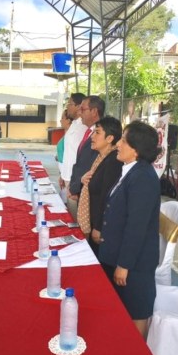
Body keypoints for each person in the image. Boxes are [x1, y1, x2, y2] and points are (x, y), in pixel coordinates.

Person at [98, 121, 162, 337]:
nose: (118, 145)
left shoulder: (143, 177)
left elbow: (137, 226)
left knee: (136, 311)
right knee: (122, 309)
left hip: (135, 262)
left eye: (124, 141)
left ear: (136, 149)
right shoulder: (131, 171)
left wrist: (124, 264)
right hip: (121, 255)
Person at [77, 116, 123, 254]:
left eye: (97, 132)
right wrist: (83, 180)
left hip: (101, 229)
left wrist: (98, 227)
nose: (92, 137)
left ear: (110, 138)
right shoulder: (100, 157)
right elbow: (93, 186)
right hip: (94, 221)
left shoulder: (114, 161)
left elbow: (107, 197)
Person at [69, 95, 104, 218]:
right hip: (79, 188)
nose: (80, 113)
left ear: (94, 111)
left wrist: (77, 188)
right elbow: (79, 163)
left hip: (88, 195)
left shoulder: (101, 136)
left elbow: (90, 167)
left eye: (83, 110)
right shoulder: (88, 131)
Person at [59, 93, 87, 212]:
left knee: (74, 215)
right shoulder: (74, 124)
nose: (67, 107)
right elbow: (69, 152)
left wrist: (75, 181)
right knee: (69, 211)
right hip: (67, 175)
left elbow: (81, 156)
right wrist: (62, 174)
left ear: (78, 106)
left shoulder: (83, 126)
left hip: (75, 178)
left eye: (70, 104)